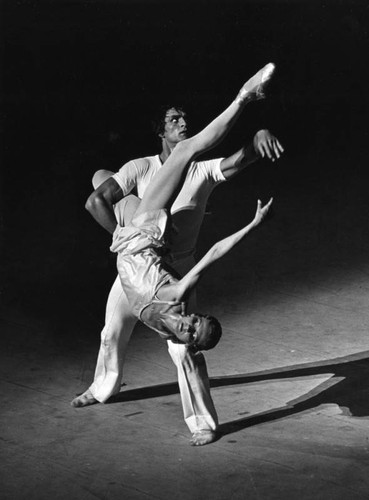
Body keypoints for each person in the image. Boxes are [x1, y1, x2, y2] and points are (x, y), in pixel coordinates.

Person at [72, 62, 282, 445]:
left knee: (186, 352)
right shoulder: (142, 167)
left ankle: (202, 423)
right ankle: (104, 388)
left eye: (185, 116)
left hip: (170, 271)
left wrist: (257, 142)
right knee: (111, 332)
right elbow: (98, 196)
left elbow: (236, 162)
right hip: (138, 258)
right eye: (174, 118)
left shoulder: (199, 171)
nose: (183, 122)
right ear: (160, 130)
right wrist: (123, 237)